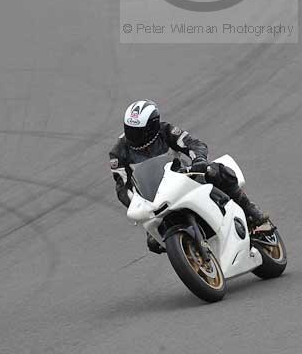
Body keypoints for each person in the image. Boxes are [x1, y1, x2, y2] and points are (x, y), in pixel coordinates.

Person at [109, 100, 268, 253]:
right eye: (130, 129)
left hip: (183, 178)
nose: (133, 135)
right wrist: (138, 207)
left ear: (152, 127)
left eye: (137, 131)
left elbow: (193, 143)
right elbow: (122, 187)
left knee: (218, 172)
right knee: (153, 243)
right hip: (153, 199)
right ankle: (188, 253)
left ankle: (250, 209)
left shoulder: (165, 131)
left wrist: (199, 159)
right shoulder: (118, 152)